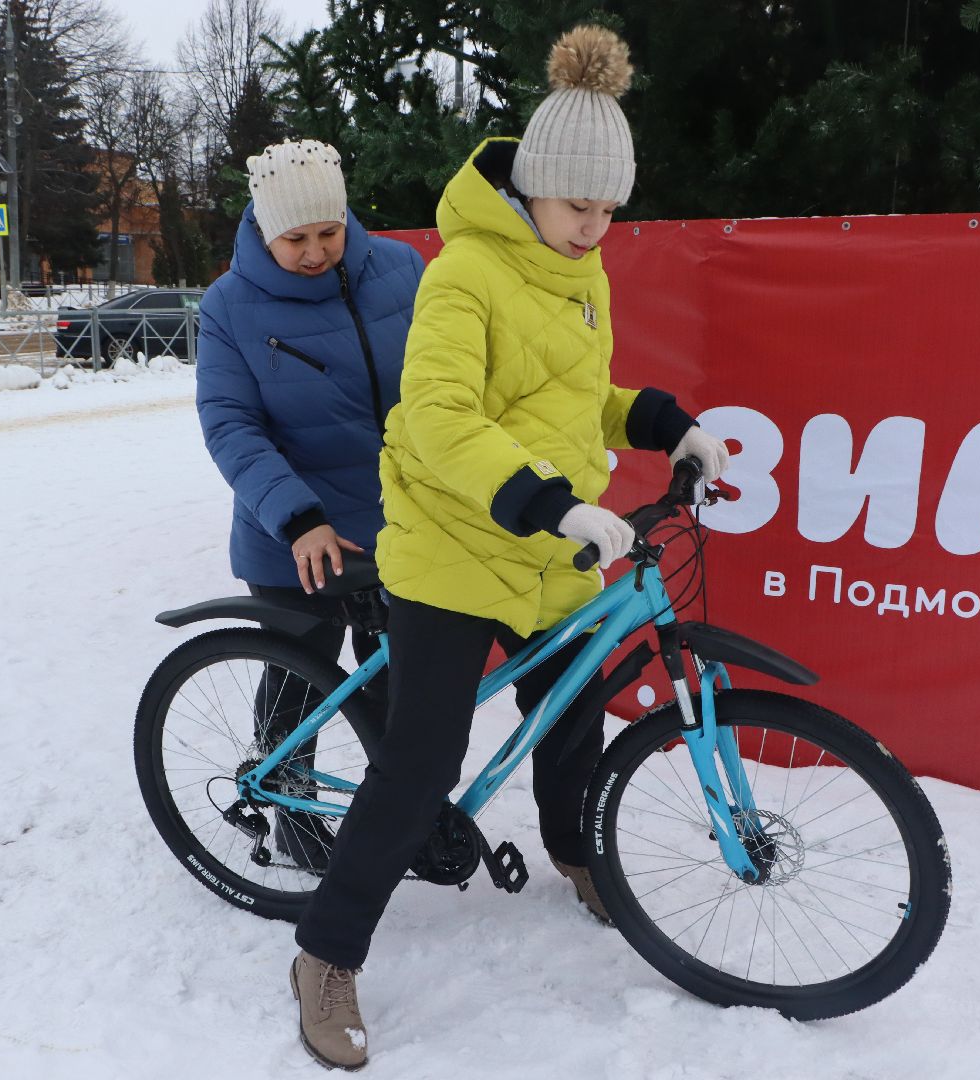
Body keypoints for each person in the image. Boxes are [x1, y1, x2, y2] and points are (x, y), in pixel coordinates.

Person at [286, 27, 732, 1069]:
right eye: (582, 206)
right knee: (422, 760)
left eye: (612, 209)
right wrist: (549, 503)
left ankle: (578, 856)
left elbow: (576, 401)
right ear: (533, 188)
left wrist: (667, 424)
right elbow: (441, 419)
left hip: (541, 550)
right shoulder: (465, 278)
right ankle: (327, 954)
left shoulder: (579, 275)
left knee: (573, 717)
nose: (597, 227)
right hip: (454, 542)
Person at [195, 139, 424, 869]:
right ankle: (290, 813)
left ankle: (399, 819)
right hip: (292, 532)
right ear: (264, 230)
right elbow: (231, 423)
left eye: (328, 230)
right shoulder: (230, 304)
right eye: (296, 238)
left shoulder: (401, 270)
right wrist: (299, 517)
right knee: (301, 677)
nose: (317, 251)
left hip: (401, 530)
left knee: (398, 686)